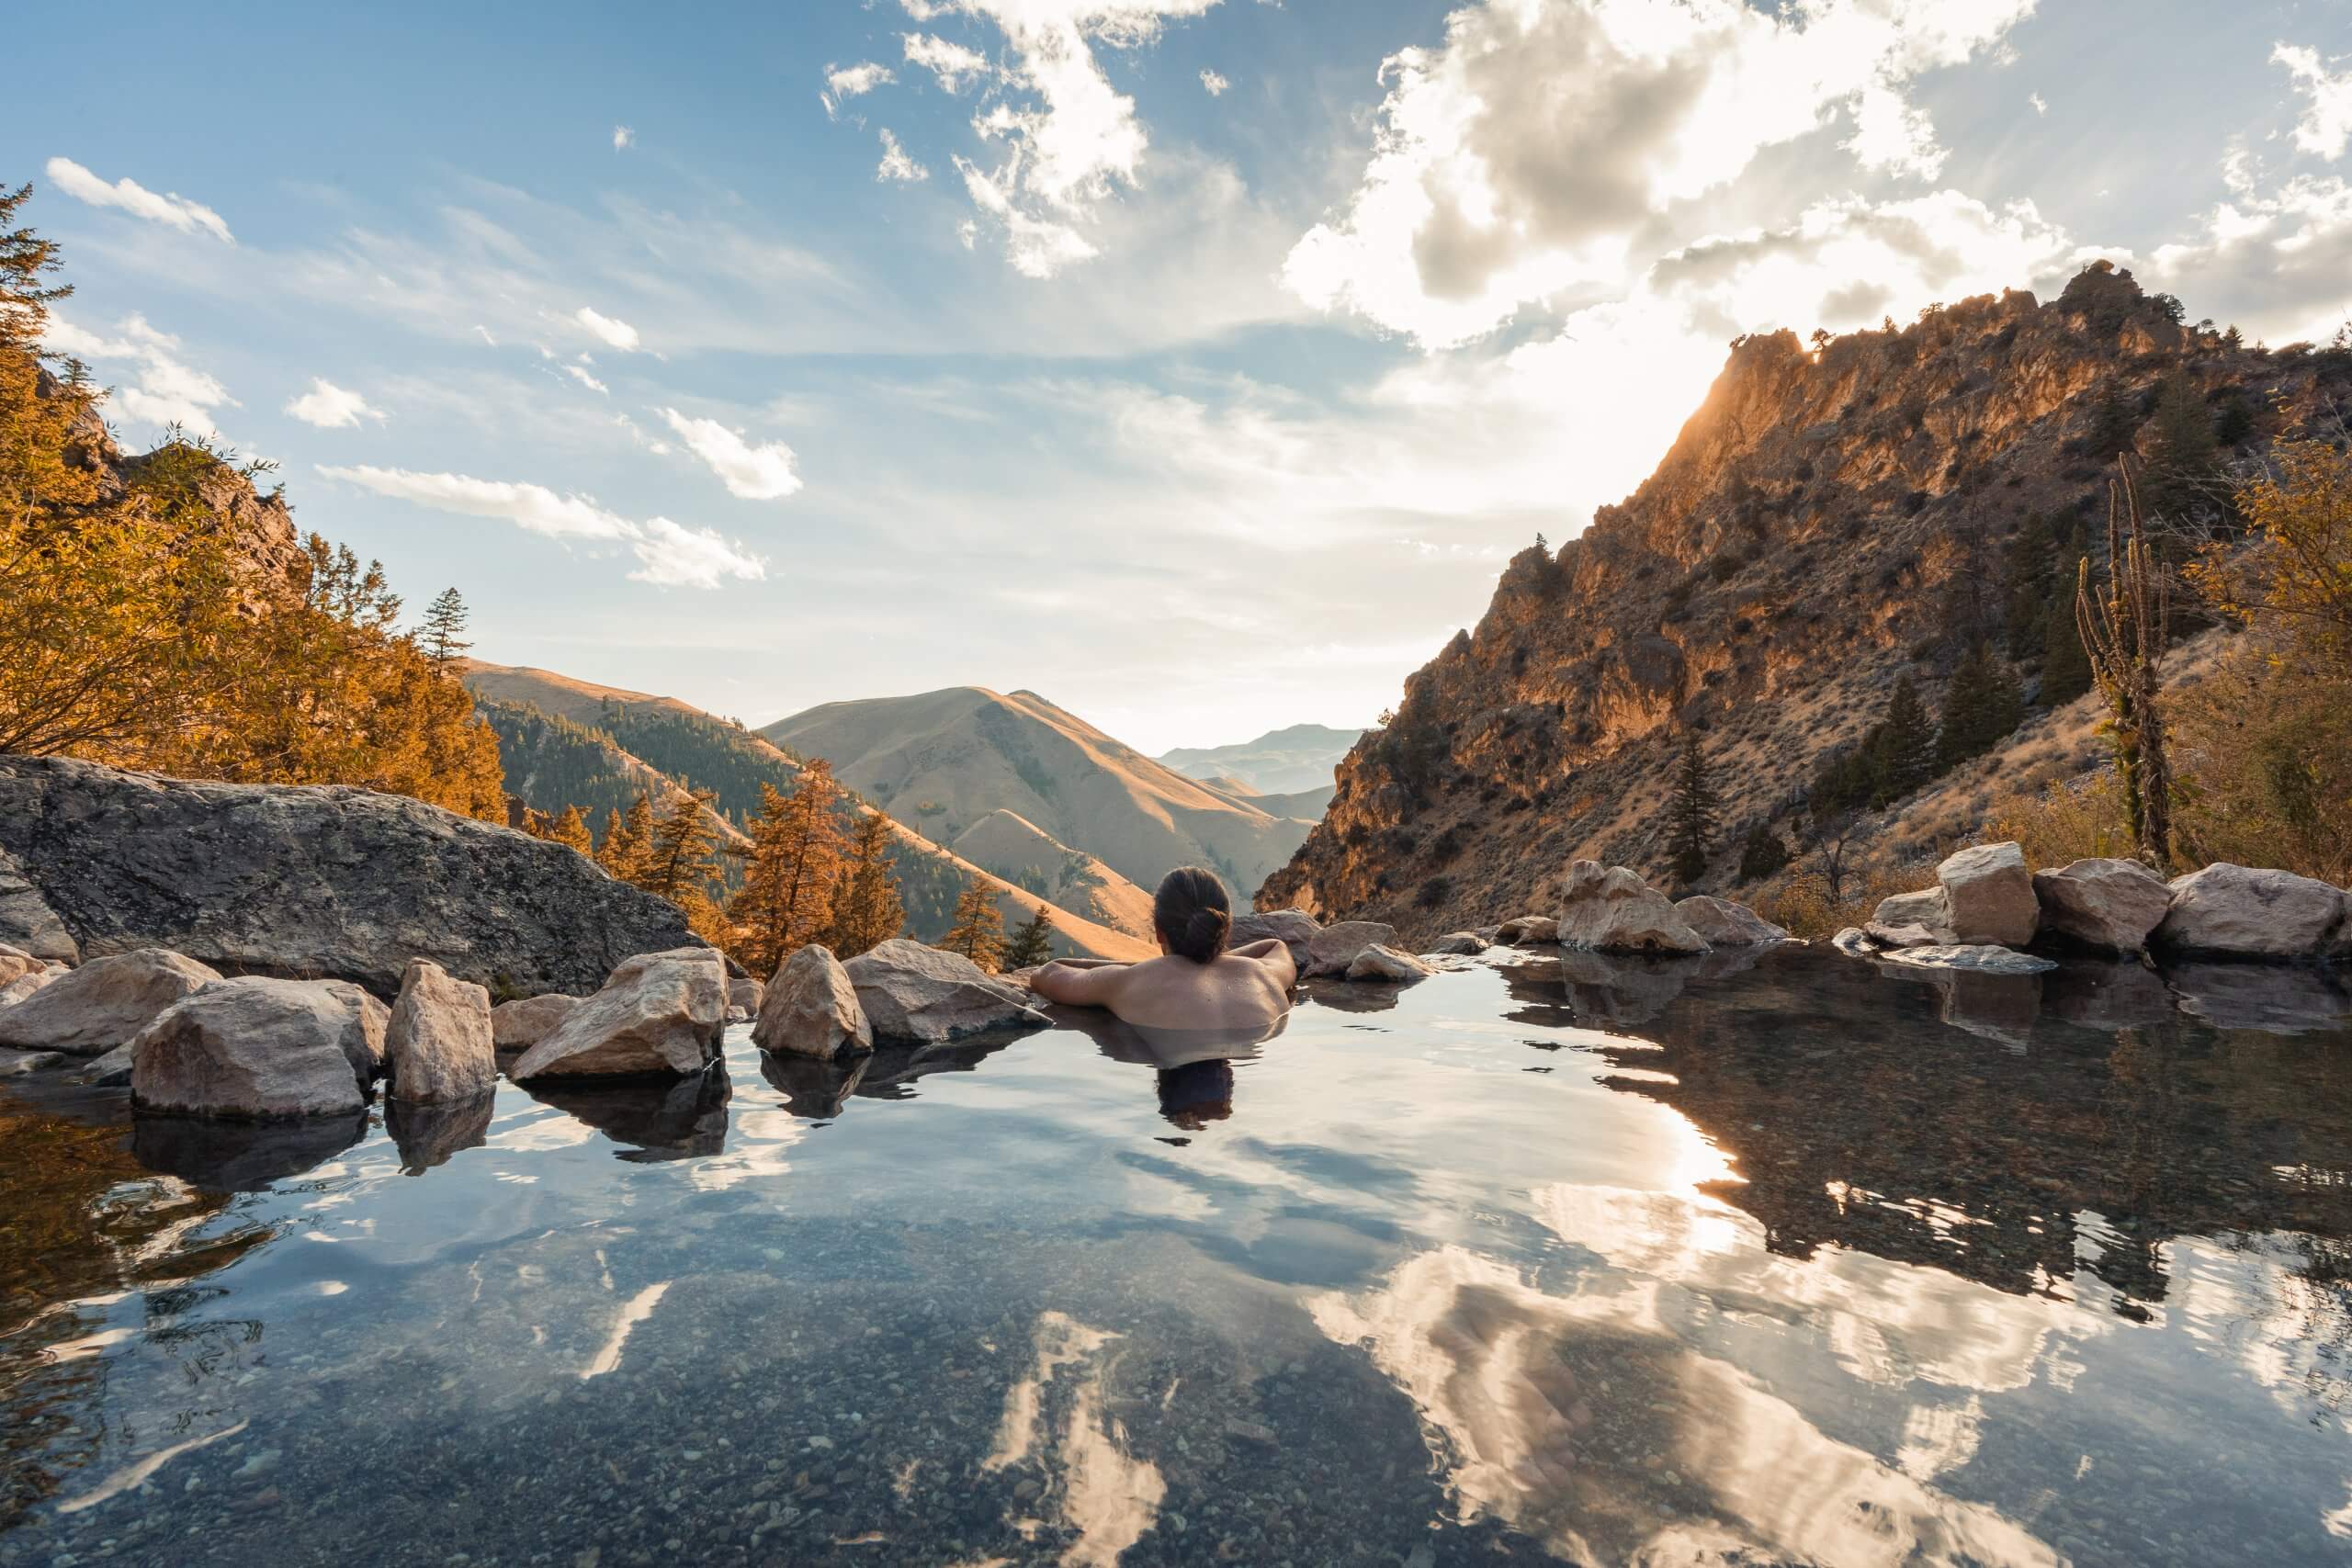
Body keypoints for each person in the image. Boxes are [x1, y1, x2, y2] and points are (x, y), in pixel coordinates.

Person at [1027, 866, 1295, 1033]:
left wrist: (1134, 969)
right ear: (1224, 928)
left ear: (1159, 931)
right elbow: (1275, 946)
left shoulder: (1125, 982)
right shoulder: (1261, 974)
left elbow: (1046, 974)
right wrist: (1214, 959)